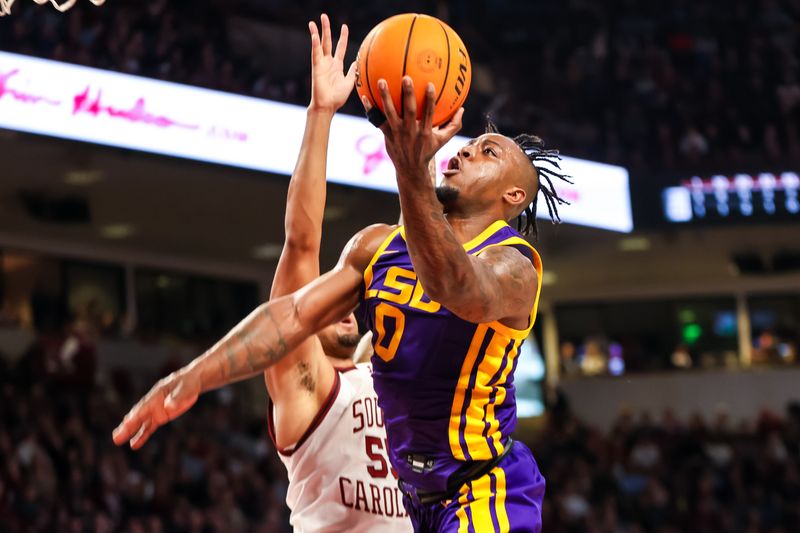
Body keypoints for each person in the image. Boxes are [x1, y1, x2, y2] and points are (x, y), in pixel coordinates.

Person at [113, 65, 571, 533]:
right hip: (418, 501)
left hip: (485, 490)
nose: (468, 150)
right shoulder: (377, 248)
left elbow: (453, 286)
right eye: (469, 144)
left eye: (486, 152)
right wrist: (193, 377)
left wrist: (411, 172)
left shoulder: (515, 266)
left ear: (513, 194)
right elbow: (291, 314)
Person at [260, 15, 409, 531]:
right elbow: (302, 243)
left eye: (348, 297)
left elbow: (420, 254)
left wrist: (415, 154)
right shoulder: (303, 383)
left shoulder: (387, 375)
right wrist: (322, 112)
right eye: (328, 296)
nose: (345, 302)